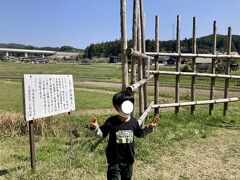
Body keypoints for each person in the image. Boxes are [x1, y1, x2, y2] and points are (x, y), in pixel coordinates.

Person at [90, 91, 159, 180]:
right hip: (114, 161)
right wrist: (95, 128)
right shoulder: (111, 121)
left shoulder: (133, 122)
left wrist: (149, 127)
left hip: (129, 161)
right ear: (116, 107)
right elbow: (101, 134)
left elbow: (140, 134)